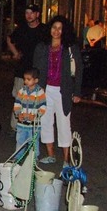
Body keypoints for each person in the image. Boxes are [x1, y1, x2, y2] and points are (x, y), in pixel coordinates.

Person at [32, 15, 83, 167]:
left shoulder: (70, 48)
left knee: (64, 123)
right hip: (45, 89)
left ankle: (67, 159)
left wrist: (77, 92)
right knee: (46, 122)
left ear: (64, 30)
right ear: (49, 29)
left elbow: (79, 69)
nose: (56, 31)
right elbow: (35, 69)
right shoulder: (42, 47)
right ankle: (51, 154)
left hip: (64, 91)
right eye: (54, 27)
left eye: (60, 28)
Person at [7, 5, 48, 130]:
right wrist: (15, 53)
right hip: (22, 71)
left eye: (32, 13)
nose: (29, 15)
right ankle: (15, 127)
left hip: (38, 71)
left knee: (37, 100)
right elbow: (10, 39)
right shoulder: (22, 29)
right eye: (27, 13)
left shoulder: (44, 30)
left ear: (37, 14)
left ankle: (34, 125)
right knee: (19, 98)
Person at [13, 68, 46, 160]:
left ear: (35, 80)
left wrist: (36, 116)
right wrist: (18, 114)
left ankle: (33, 159)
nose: (26, 81)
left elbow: (43, 106)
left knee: (34, 142)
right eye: (25, 79)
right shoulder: (21, 91)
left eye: (28, 79)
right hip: (22, 124)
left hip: (34, 125)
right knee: (20, 141)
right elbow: (17, 104)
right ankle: (18, 158)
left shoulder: (40, 92)